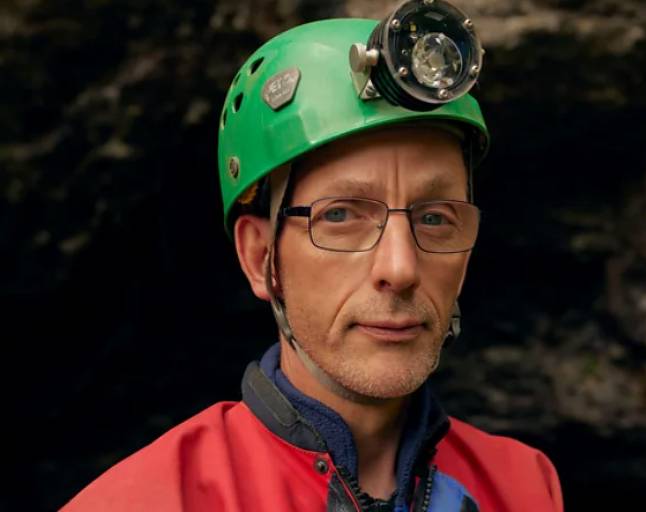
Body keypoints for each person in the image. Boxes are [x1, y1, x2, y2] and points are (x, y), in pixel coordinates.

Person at [63, 2, 563, 510]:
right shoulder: (150, 500)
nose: (400, 268)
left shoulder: (524, 487)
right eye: (341, 216)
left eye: (434, 218)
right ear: (260, 256)